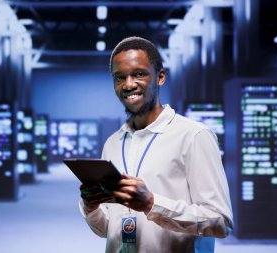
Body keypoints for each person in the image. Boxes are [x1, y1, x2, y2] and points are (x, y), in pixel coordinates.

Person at [79, 36, 233, 252]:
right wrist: (91, 206)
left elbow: (220, 222)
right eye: (119, 77)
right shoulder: (113, 143)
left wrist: (152, 204)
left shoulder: (194, 136)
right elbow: (110, 230)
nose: (129, 84)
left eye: (139, 74)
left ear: (160, 77)